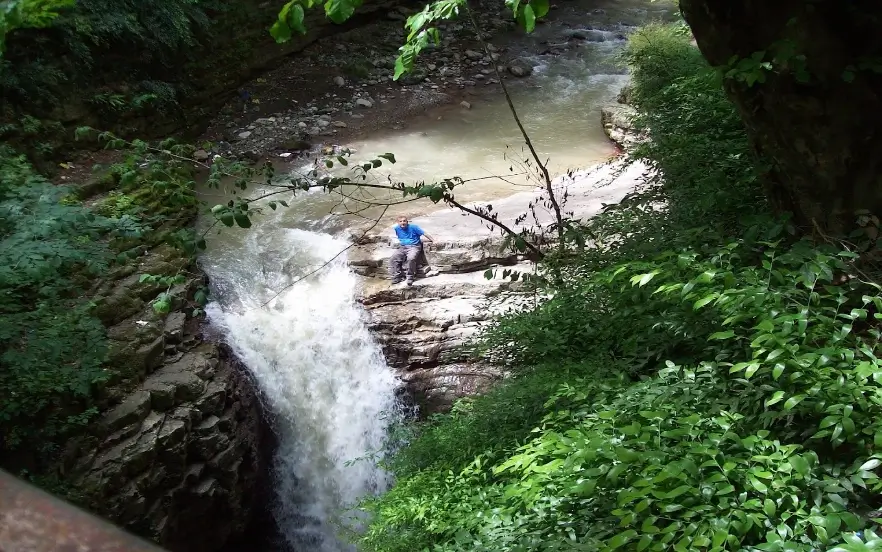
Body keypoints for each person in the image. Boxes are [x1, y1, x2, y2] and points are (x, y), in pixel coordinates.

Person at [389, 216, 435, 285]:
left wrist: (434, 240)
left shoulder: (414, 227)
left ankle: (410, 277)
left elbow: (424, 233)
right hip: (403, 247)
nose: (402, 223)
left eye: (404, 221)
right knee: (393, 258)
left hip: (414, 246)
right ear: (398, 223)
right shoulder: (397, 228)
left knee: (411, 258)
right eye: (400, 221)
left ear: (407, 222)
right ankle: (397, 277)